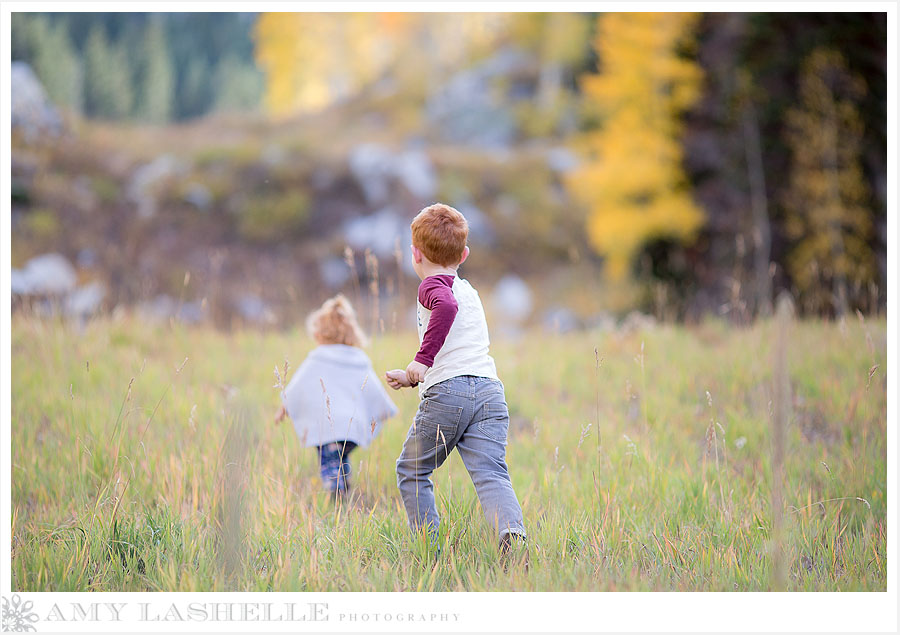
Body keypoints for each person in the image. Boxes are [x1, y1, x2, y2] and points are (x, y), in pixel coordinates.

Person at [385, 203, 527, 565]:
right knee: (492, 473)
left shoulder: (433, 286)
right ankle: (511, 534)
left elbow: (444, 309)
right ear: (463, 255)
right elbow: (460, 349)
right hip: (489, 392)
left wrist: (421, 361)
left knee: (412, 470)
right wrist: (413, 376)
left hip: (450, 394)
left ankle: (429, 551)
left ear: (414, 254)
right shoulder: (470, 291)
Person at [276, 294, 397, 498]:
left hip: (327, 426)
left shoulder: (317, 358)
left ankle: (337, 494)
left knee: (329, 458)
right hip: (352, 427)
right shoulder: (359, 360)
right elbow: (374, 391)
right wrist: (384, 410)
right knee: (340, 455)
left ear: (319, 332)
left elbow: (296, 389)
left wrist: (283, 410)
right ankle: (344, 485)